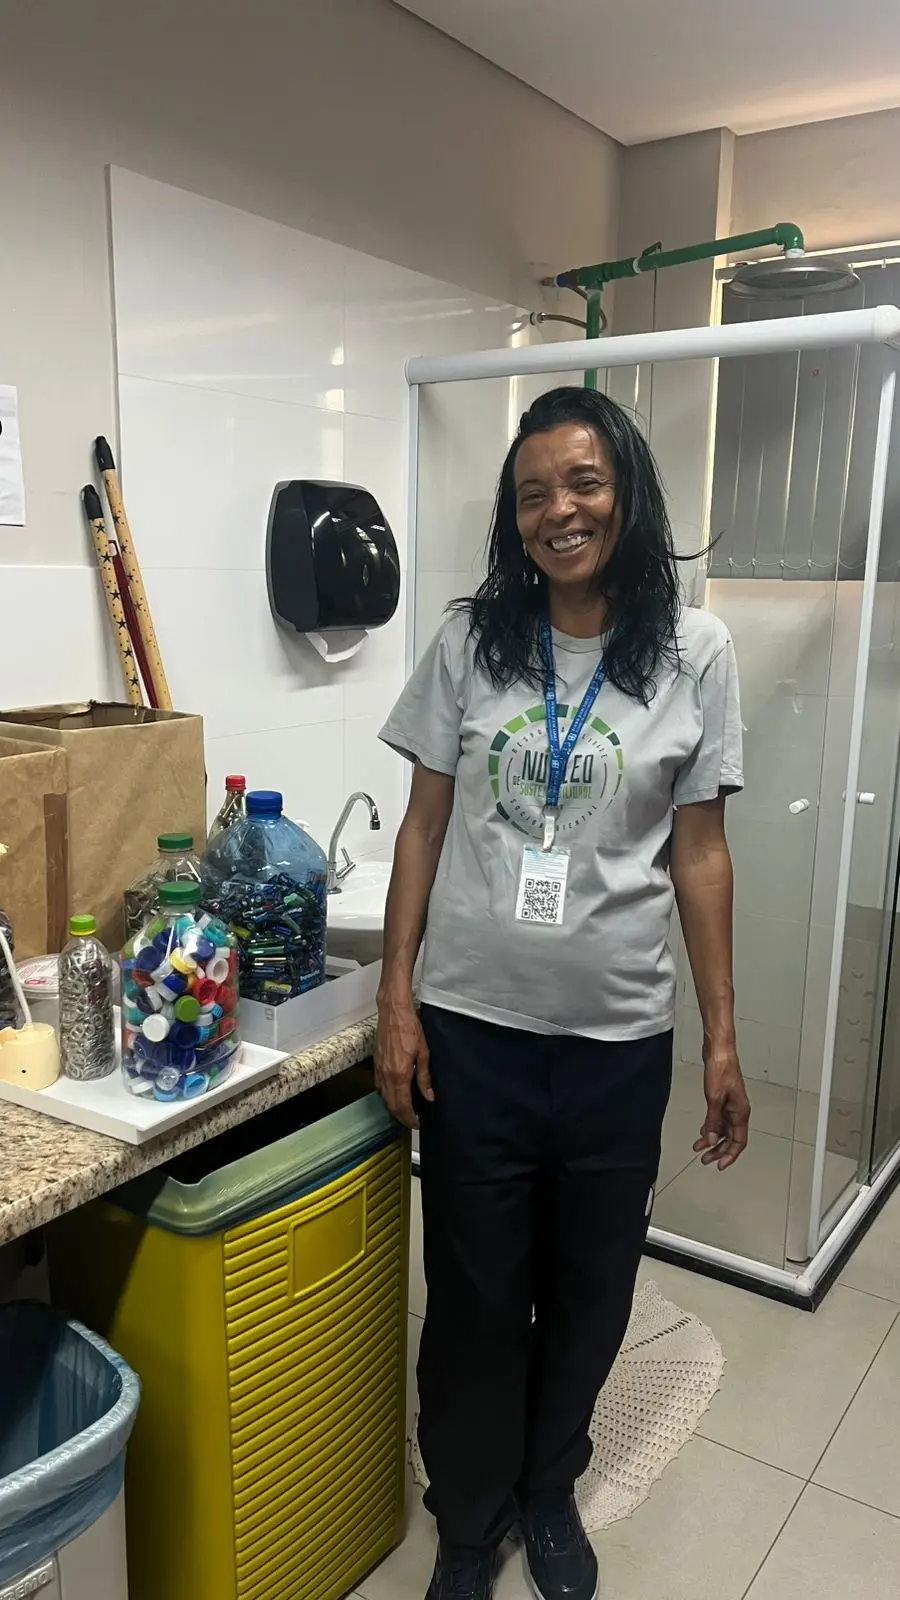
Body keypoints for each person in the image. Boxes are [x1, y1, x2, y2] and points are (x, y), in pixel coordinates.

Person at [376, 386, 750, 1600]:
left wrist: (723, 1038)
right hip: (474, 1032)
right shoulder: (471, 642)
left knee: (591, 1285)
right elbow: (423, 827)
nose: (560, 511)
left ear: (627, 491)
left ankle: (548, 1487)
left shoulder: (695, 651)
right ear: (514, 517)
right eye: (533, 492)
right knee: (475, 1293)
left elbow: (700, 855)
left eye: (583, 482)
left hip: (616, 1039)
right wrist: (395, 999)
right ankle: (468, 1514)